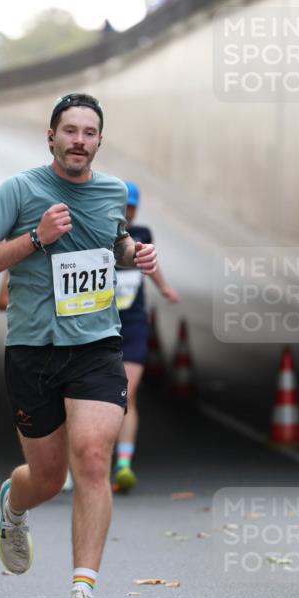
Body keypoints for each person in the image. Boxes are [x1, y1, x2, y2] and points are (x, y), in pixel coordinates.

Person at [0, 92, 157, 598]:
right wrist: (34, 238)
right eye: (68, 130)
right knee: (47, 479)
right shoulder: (19, 191)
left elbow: (111, 245)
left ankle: (82, 594)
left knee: (93, 459)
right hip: (31, 350)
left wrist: (132, 256)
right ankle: (13, 503)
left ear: (99, 140)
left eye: (88, 132)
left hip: (97, 345)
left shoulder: (112, 190)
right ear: (51, 137)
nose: (78, 140)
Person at [113, 180, 180, 493]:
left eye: (131, 207)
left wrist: (164, 287)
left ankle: (124, 465)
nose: (127, 213)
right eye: (123, 207)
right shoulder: (99, 233)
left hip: (134, 324)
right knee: (87, 399)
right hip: (100, 326)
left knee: (127, 394)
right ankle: (78, 464)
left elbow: (149, 264)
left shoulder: (142, 235)